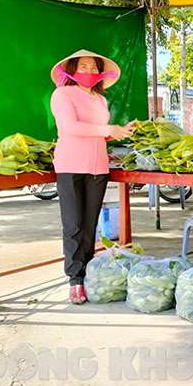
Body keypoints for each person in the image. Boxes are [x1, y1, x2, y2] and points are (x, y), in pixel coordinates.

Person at [49, 49, 136, 305]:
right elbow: (71, 127)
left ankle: (87, 273)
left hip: (98, 167)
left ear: (101, 73)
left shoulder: (99, 99)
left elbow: (98, 132)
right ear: (71, 71)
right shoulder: (62, 94)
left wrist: (118, 132)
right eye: (83, 67)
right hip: (70, 166)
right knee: (73, 225)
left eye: (94, 68)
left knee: (89, 226)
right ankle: (74, 280)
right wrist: (107, 128)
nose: (89, 72)